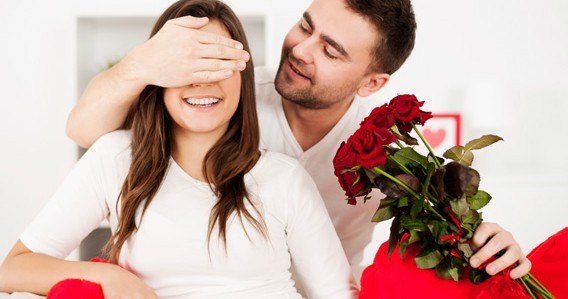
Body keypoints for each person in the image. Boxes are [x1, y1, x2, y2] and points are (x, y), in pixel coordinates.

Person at [64, 0, 531, 283]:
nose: (301, 50)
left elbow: (441, 240)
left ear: (371, 84)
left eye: (330, 51)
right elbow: (85, 132)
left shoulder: (392, 161)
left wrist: (489, 241)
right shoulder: (225, 99)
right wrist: (140, 64)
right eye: (306, 26)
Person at [0, 1, 359, 298]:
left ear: (243, 76)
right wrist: (110, 279)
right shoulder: (116, 158)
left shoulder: (284, 177)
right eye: (187, 64)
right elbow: (15, 267)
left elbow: (337, 293)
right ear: (157, 76)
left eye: (218, 62)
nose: (202, 78)